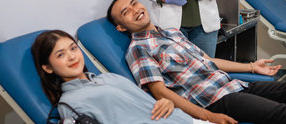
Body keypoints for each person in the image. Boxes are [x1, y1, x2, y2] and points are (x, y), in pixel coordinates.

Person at [107, 0, 286, 124]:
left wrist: (251, 66)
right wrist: (208, 116)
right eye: (126, 12)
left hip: (234, 85)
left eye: (134, 3)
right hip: (215, 100)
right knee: (285, 115)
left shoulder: (171, 32)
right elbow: (160, 93)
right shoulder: (138, 48)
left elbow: (208, 60)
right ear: (120, 26)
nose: (135, 10)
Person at [31, 29, 212, 124]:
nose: (72, 56)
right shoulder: (70, 103)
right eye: (60, 54)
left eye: (73, 48)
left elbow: (147, 106)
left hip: (185, 120)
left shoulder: (109, 78)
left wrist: (167, 102)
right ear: (48, 68)